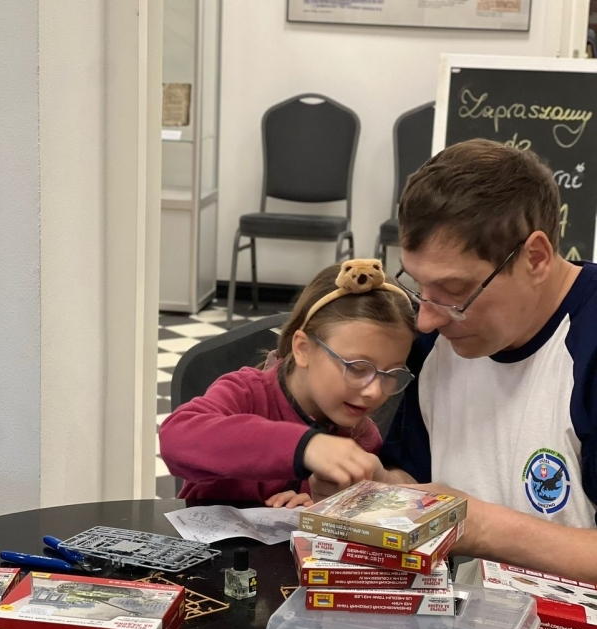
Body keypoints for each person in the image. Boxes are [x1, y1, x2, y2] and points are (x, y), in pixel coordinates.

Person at [312, 139, 597, 583]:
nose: (426, 319)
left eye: (454, 291)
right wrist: (376, 488)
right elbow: (419, 478)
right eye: (418, 286)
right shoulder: (438, 342)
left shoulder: (586, 343)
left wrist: (477, 525)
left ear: (536, 258)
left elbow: (462, 516)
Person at [159, 260, 415, 506]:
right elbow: (176, 439)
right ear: (303, 349)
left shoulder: (362, 440)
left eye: (391, 374)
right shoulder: (246, 392)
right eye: (358, 368)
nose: (374, 391)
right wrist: (305, 447)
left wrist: (317, 509)